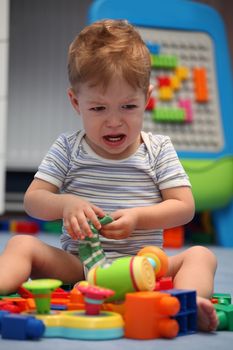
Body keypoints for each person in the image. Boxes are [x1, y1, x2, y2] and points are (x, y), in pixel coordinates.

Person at [0, 19, 217, 331]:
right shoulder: (68, 148)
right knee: (22, 243)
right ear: (76, 102)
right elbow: (34, 200)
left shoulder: (158, 150)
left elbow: (184, 206)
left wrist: (137, 219)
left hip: (145, 266)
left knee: (200, 254)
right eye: (98, 109)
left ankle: (189, 300)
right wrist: (66, 204)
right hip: (80, 268)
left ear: (148, 99)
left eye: (128, 106)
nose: (114, 121)